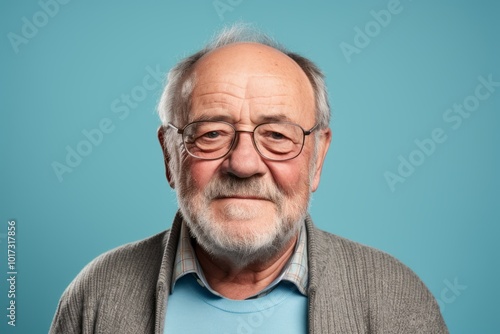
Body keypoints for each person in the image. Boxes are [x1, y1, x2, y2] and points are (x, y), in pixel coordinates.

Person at [50, 25, 448, 333]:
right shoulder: (97, 294)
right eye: (211, 134)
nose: (243, 164)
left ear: (318, 157)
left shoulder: (395, 299)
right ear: (170, 156)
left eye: (276, 135)